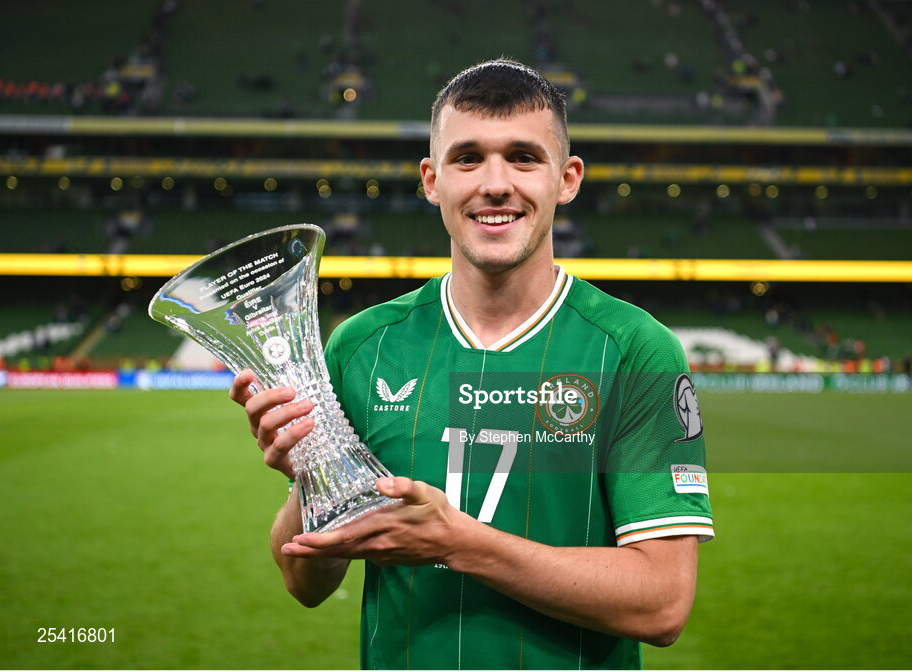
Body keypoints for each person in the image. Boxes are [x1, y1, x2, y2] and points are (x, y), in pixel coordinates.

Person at [229, 58, 714, 670]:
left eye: (523, 157)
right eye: (467, 159)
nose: (495, 182)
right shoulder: (361, 346)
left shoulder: (635, 349)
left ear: (567, 179)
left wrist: (461, 544)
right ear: (432, 180)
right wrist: (310, 481)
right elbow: (307, 582)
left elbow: (663, 604)